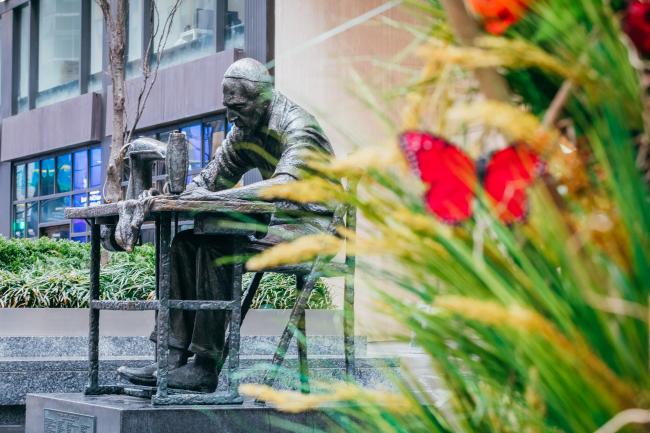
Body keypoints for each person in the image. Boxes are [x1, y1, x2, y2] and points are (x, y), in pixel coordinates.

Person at [117, 58, 334, 392]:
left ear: (262, 99)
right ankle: (170, 357)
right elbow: (210, 178)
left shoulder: (299, 127)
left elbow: (280, 187)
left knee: (219, 247)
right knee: (185, 243)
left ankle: (205, 367)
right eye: (227, 107)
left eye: (237, 107)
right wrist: (190, 192)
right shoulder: (245, 129)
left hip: (311, 230)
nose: (230, 116)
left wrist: (220, 196)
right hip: (277, 226)